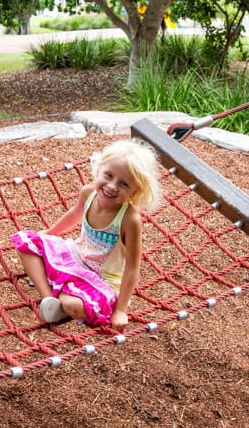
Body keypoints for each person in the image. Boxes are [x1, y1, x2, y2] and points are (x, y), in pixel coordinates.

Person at [11, 139, 163, 330]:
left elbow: (132, 267)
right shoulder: (89, 192)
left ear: (135, 191)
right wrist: (49, 234)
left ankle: (58, 295)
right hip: (75, 256)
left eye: (124, 184)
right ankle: (48, 298)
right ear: (98, 169)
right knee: (26, 242)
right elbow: (74, 215)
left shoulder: (129, 219)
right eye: (108, 175)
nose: (112, 186)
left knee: (73, 306)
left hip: (101, 279)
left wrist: (121, 310)